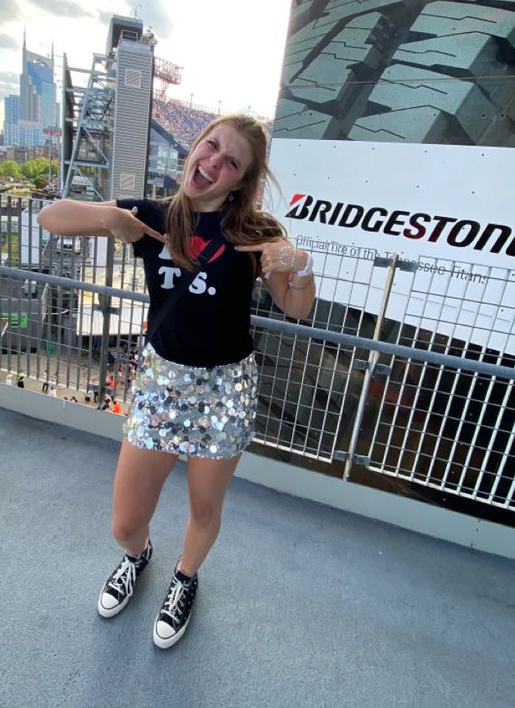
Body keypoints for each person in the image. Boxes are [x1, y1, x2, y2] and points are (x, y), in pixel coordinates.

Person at [37, 114, 316, 649]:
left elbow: (297, 307)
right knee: (124, 521)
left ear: (242, 182)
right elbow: (51, 216)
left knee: (204, 508)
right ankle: (137, 555)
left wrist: (298, 265)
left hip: (225, 390)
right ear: (194, 148)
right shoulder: (151, 216)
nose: (213, 162)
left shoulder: (256, 234)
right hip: (161, 382)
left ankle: (186, 576)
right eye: (210, 147)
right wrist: (108, 216)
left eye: (230, 161)